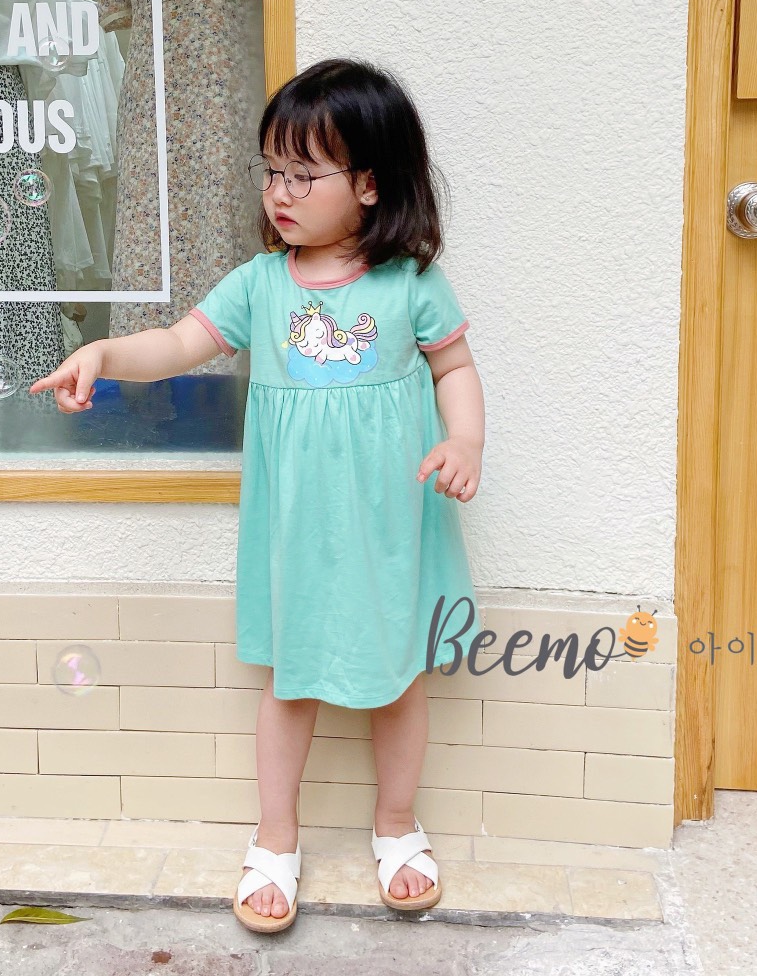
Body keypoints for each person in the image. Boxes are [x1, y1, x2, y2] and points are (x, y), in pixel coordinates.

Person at [30, 58, 485, 933]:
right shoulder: (260, 284)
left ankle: (397, 823)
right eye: (272, 169)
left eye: (302, 174)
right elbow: (176, 344)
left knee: (398, 679)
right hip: (297, 530)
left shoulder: (409, 285)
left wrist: (464, 441)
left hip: (392, 519)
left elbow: (455, 369)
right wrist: (105, 356)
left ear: (369, 184)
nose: (279, 191)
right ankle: (276, 836)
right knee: (290, 680)